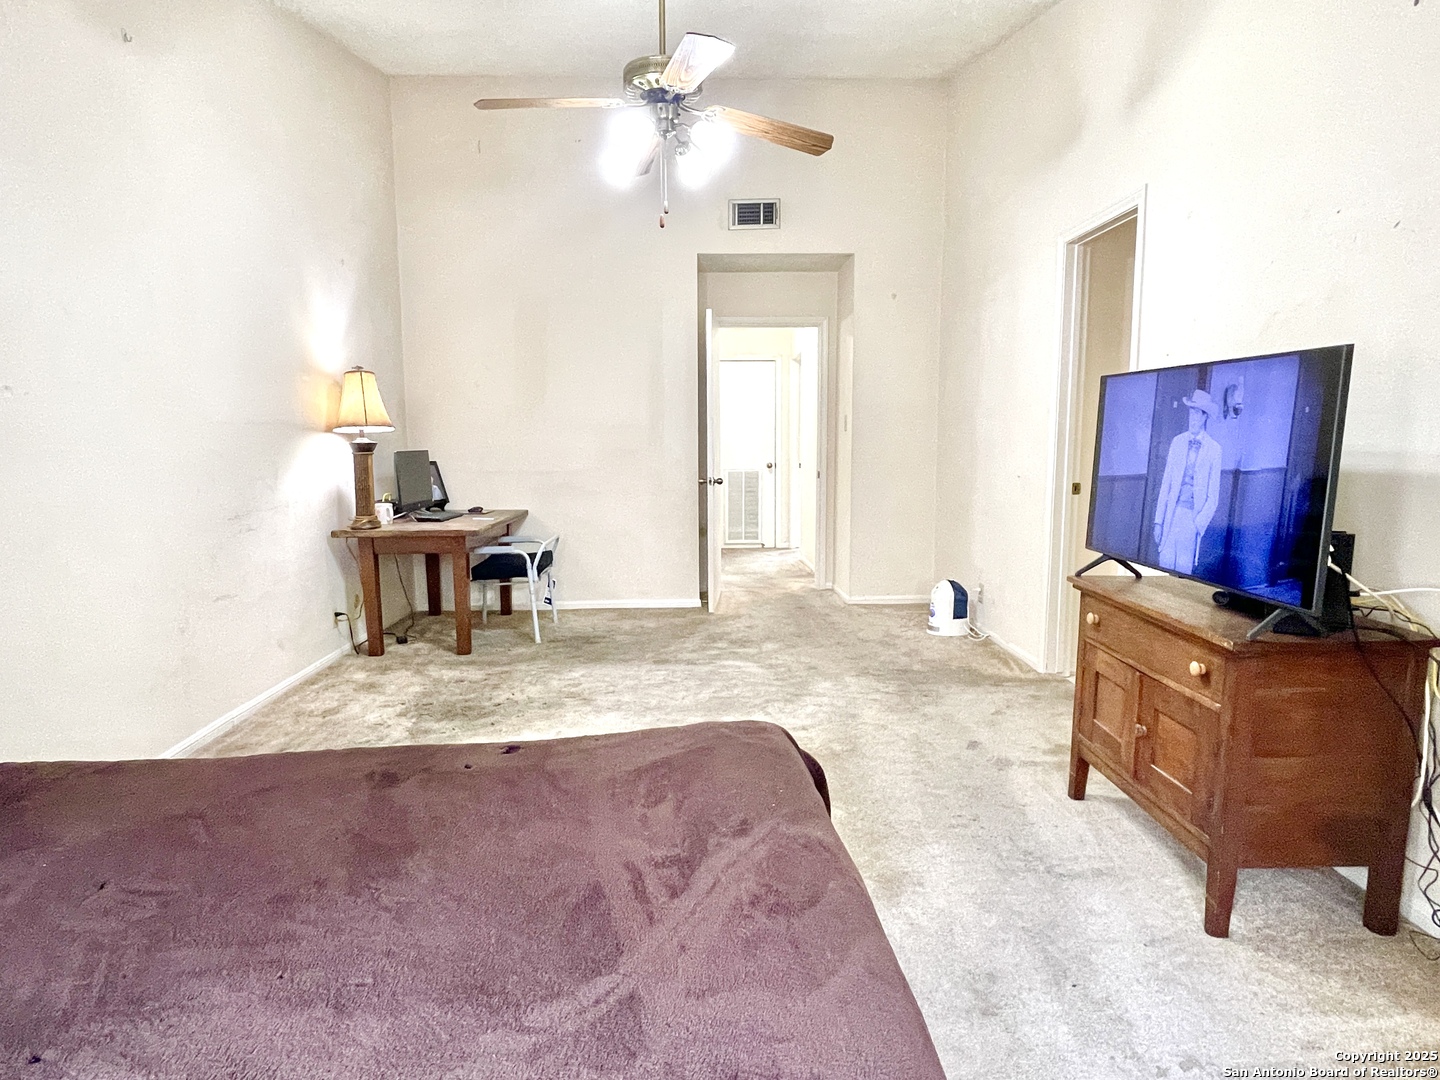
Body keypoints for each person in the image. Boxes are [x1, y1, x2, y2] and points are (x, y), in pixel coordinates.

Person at [1153, 388, 1223, 574]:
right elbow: (1166, 485)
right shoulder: (1177, 442)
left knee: (1183, 569)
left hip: (1192, 517)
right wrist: (1158, 521)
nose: (1193, 417)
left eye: (1197, 413)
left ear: (1205, 417)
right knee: (1165, 562)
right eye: (1191, 412)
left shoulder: (1214, 449)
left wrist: (1197, 524)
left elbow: (1213, 497)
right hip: (1171, 514)